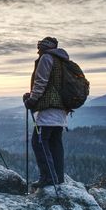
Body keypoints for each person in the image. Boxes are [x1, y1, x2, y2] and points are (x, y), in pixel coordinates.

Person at [23, 37, 69, 189]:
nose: (38, 50)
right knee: (55, 143)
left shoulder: (46, 58)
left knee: (39, 142)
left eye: (40, 47)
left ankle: (48, 178)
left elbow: (41, 82)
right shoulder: (62, 61)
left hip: (49, 108)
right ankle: (58, 177)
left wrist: (32, 99)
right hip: (62, 109)